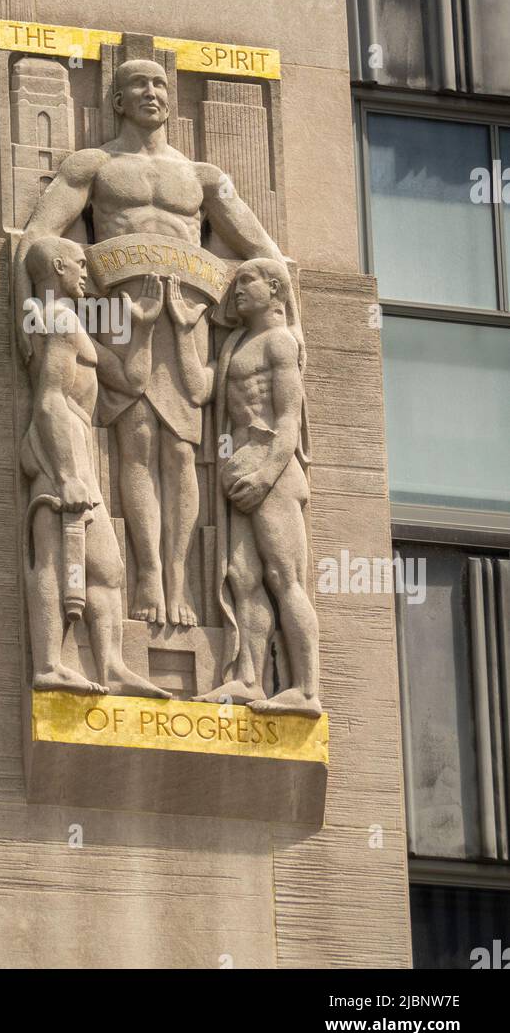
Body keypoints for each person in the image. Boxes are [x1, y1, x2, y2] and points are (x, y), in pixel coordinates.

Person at [14, 59, 300, 630]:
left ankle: (176, 576)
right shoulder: (93, 166)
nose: (153, 93)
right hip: (119, 318)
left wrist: (281, 320)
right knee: (137, 447)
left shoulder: (202, 177)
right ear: (117, 100)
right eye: (139, 85)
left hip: (188, 319)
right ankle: (147, 575)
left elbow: (265, 252)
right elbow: (39, 240)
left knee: (181, 455)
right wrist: (44, 305)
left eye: (160, 84)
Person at [168, 261, 321, 717]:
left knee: (286, 578)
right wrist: (181, 330)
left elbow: (288, 420)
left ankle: (307, 689)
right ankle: (249, 679)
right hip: (241, 472)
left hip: (271, 472)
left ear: (275, 287)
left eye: (246, 281)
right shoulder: (236, 342)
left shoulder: (281, 342)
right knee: (242, 578)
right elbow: (200, 389)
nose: (236, 290)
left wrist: (266, 475)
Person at [21, 235, 170, 698]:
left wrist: (143, 329)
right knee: (52, 555)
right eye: (80, 264)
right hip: (59, 449)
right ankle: (49, 664)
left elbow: (129, 380)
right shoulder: (58, 319)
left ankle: (110, 665)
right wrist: (66, 475)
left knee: (106, 569)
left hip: (79, 448)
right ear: (59, 265)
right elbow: (47, 401)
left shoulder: (71, 323)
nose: (86, 272)